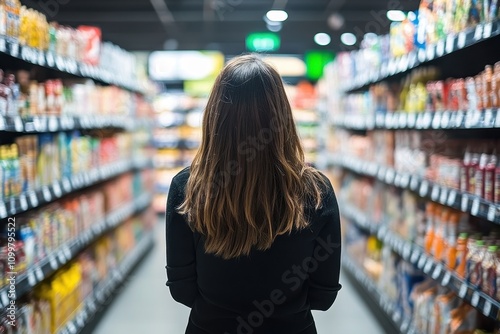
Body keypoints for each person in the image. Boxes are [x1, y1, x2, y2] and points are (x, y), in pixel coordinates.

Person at [165, 54, 342, 334]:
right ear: (282, 115)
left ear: (215, 116)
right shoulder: (316, 191)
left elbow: (181, 289)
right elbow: (324, 295)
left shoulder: (187, 187)